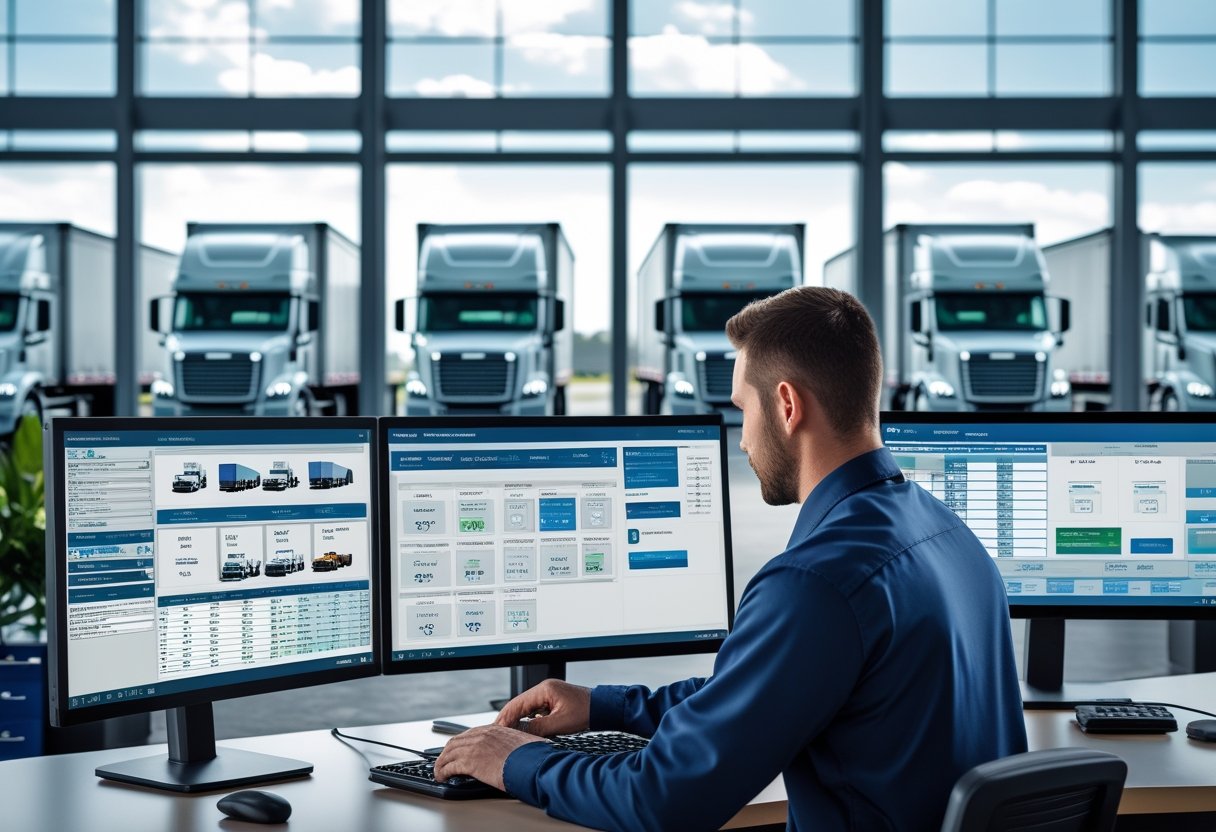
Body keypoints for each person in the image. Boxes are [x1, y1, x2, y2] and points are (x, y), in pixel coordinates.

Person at [435, 286, 1027, 831]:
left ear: (788, 405)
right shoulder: (950, 534)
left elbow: (663, 798)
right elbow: (759, 689)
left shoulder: (817, 582)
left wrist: (520, 761)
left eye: (743, 407)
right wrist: (602, 707)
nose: (741, 438)